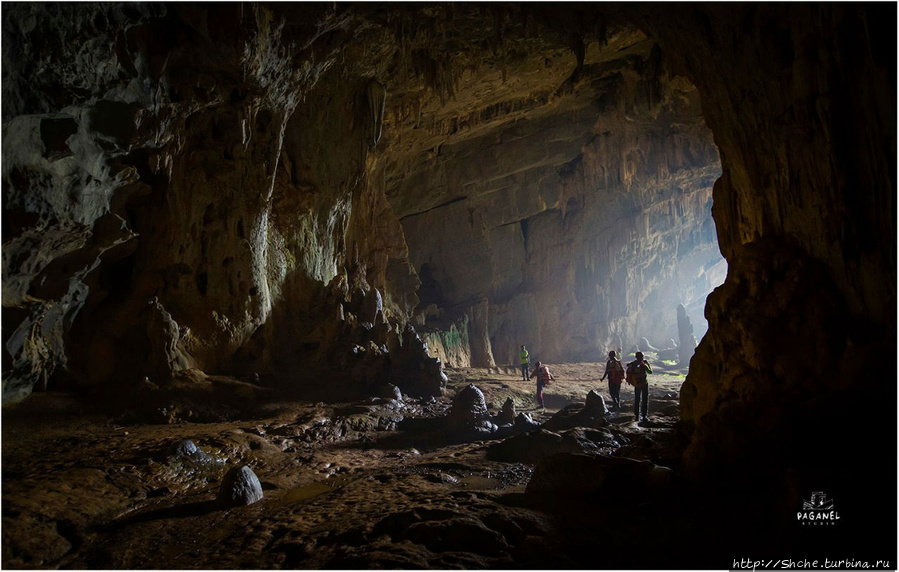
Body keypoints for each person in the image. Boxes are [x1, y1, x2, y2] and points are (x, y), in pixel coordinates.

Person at [626, 351, 653, 422]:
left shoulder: (633, 364)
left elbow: (628, 367)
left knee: (637, 399)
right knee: (644, 399)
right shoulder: (643, 365)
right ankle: (644, 416)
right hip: (644, 384)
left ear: (636, 357)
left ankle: (637, 416)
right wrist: (647, 364)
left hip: (636, 384)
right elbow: (650, 372)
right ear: (642, 357)